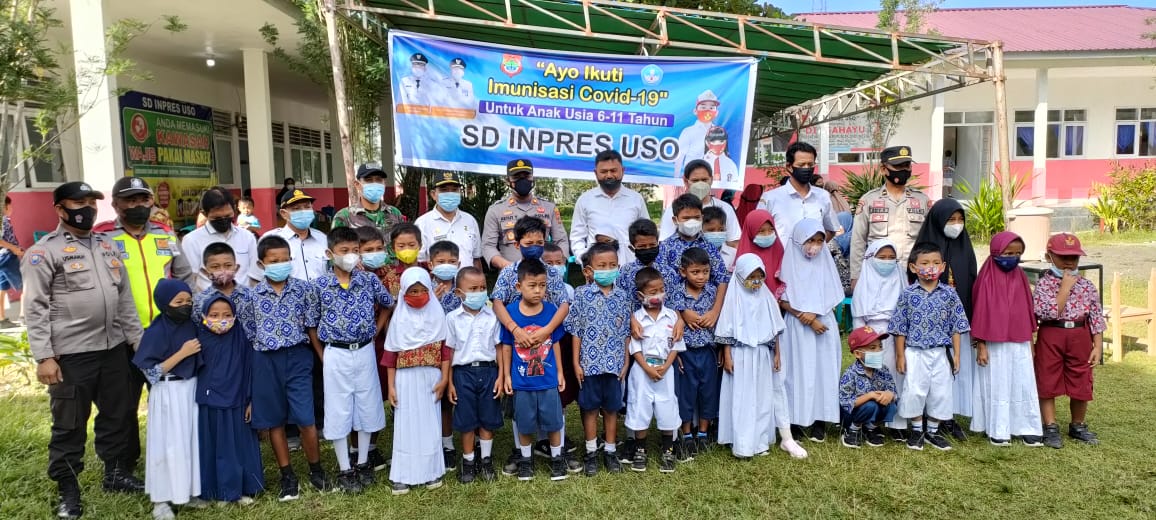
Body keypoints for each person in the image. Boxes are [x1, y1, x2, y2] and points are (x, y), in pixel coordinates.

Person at [24, 182, 146, 518]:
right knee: (70, 423)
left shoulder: (107, 245)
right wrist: (44, 357)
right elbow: (34, 308)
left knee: (118, 415)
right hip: (71, 354)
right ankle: (68, 488)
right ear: (60, 209)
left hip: (113, 348)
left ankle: (116, 473)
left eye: (91, 202)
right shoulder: (43, 252)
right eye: (79, 203)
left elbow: (124, 299)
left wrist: (137, 342)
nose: (87, 208)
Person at [94, 176, 196, 471]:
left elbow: (185, 276)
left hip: (165, 334)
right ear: (116, 204)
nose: (138, 205)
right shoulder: (102, 237)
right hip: (121, 337)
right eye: (130, 200)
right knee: (121, 405)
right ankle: (120, 467)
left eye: (143, 199)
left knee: (168, 400)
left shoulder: (165, 235)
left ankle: (171, 461)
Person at [314, 227, 394, 493]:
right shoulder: (319, 285)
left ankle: (362, 462)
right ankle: (345, 468)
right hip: (335, 352)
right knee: (339, 407)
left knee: (367, 404)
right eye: (344, 251)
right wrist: (322, 354)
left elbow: (388, 303)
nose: (351, 255)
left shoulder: (368, 280)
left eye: (355, 251)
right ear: (330, 253)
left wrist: (376, 330)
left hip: (364, 350)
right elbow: (311, 323)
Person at [248, 235, 326, 500]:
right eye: (274, 261)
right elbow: (250, 332)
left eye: (285, 259)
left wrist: (320, 356)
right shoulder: (251, 296)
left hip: (298, 358)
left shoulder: (304, 290)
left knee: (306, 418)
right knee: (274, 421)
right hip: (266, 360)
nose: (280, 264)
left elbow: (311, 325)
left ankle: (316, 470)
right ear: (261, 264)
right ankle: (287, 475)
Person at [131, 279, 205, 519]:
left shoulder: (191, 326)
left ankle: (189, 491)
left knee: (189, 442)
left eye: (188, 301)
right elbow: (150, 373)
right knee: (166, 444)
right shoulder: (156, 332)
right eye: (178, 301)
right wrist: (182, 353)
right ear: (164, 304)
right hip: (167, 392)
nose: (185, 306)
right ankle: (161, 500)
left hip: (190, 389)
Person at [717, 254, 800, 459]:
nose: (756, 281)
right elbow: (726, 329)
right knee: (742, 397)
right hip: (741, 354)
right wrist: (727, 355)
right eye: (751, 276)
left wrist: (777, 353)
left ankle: (761, 441)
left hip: (763, 353)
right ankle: (743, 443)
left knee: (762, 398)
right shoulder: (733, 298)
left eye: (759, 276)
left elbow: (774, 328)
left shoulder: (766, 297)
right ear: (740, 276)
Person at [890, 242, 970, 451]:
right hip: (915, 352)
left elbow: (956, 326)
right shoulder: (908, 294)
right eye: (924, 263)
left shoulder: (949, 294)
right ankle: (917, 431)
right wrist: (900, 355)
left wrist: (957, 355)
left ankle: (933, 432)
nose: (930, 267)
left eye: (935, 263)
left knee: (941, 392)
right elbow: (900, 327)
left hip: (941, 353)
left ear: (943, 266)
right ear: (913, 267)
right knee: (914, 390)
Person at [970, 231, 1043, 447]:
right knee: (998, 383)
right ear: (995, 252)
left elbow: (1027, 309)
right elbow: (980, 313)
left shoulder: (1020, 275)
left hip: (1019, 342)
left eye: (1017, 254)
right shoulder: (986, 278)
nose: (1013, 257)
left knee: (1022, 382)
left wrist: (1030, 341)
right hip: (994, 344)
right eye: (1008, 253)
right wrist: (981, 344)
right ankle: (999, 428)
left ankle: (1027, 427)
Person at [564, 241, 631, 476]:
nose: (607, 269)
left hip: (615, 364)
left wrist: (626, 361)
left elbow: (626, 333)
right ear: (589, 270)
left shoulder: (623, 297)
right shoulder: (582, 295)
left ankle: (610, 450)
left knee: (612, 409)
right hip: (589, 365)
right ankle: (591, 451)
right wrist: (576, 363)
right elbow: (576, 331)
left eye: (612, 265)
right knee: (590, 408)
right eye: (602, 265)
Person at [1033, 233, 1105, 449]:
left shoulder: (1087, 285)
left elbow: (1096, 316)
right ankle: (1050, 426)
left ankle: (1078, 425)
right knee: (1047, 378)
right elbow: (1047, 313)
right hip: (1051, 334)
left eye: (1074, 257)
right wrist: (1064, 288)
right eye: (1063, 257)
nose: (1069, 262)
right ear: (1049, 256)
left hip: (1079, 335)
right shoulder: (1043, 285)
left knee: (1081, 377)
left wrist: (1098, 345)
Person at [913, 197, 978, 440]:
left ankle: (948, 417)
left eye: (960, 219)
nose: (956, 224)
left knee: (955, 369)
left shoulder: (965, 247)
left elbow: (971, 282)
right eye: (951, 219)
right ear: (938, 220)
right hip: (930, 326)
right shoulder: (925, 249)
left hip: (958, 323)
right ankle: (928, 416)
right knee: (930, 372)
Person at [383, 267, 452, 494]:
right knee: (405, 424)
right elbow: (390, 355)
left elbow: (445, 351)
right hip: (405, 379)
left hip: (432, 378)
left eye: (423, 290)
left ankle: (431, 472)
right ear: (404, 292)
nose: (418, 295)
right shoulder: (398, 320)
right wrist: (391, 387)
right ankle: (403, 475)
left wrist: (444, 379)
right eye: (413, 291)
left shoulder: (438, 315)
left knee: (430, 424)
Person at [499, 260, 568, 482]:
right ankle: (526, 461)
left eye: (542, 285)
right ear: (519, 287)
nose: (538, 290)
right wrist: (507, 376)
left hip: (547, 380)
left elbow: (555, 343)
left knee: (554, 422)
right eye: (532, 285)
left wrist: (559, 372)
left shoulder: (551, 311)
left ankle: (557, 459)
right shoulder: (510, 313)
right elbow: (506, 346)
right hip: (522, 381)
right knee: (524, 423)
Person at [778, 219, 844, 443]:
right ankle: (796, 421)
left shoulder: (825, 262)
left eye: (819, 241)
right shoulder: (787, 262)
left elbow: (833, 293)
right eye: (809, 240)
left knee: (823, 371)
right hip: (797, 327)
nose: (814, 246)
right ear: (798, 240)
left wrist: (815, 314)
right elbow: (781, 297)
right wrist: (803, 315)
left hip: (823, 325)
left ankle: (820, 421)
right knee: (796, 372)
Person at [195, 292, 263, 505]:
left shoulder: (241, 338)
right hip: (209, 404)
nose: (221, 320)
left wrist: (251, 400)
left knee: (235, 448)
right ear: (204, 316)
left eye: (226, 315)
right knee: (213, 449)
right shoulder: (198, 339)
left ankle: (238, 489)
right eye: (214, 315)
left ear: (234, 315)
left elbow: (250, 370)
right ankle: (215, 490)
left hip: (237, 403)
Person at [446, 266, 503, 483]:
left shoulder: (493, 316)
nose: (479, 292)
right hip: (463, 373)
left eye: (482, 288)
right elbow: (449, 352)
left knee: (488, 417)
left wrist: (501, 376)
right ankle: (468, 461)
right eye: (473, 289)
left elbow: (499, 347)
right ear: (459, 292)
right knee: (467, 419)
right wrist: (450, 382)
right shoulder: (452, 318)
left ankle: (486, 460)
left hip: (489, 371)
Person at [626, 267, 686, 473]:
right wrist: (647, 369)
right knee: (640, 407)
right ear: (640, 295)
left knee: (667, 407)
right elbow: (635, 348)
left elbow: (676, 345)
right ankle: (640, 450)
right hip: (642, 371)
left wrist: (667, 366)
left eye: (661, 290)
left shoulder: (672, 317)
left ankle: (668, 450)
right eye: (653, 292)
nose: (658, 295)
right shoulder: (637, 318)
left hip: (665, 369)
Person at [849, 145, 930, 290]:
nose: (904, 170)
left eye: (907, 165)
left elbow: (930, 239)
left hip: (913, 275)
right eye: (898, 166)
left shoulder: (922, 200)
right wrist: (856, 276)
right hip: (878, 276)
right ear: (883, 169)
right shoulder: (869, 200)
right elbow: (858, 241)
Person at [850, 239, 907, 439]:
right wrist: (864, 342)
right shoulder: (864, 282)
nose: (887, 261)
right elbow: (858, 316)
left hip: (896, 335)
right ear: (871, 258)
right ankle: (870, 423)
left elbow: (905, 311)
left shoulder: (900, 279)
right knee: (871, 376)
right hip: (871, 336)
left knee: (897, 375)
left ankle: (897, 423)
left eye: (891, 258)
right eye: (882, 257)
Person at [668, 247, 719, 458]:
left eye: (705, 272)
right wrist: (676, 353)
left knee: (708, 392)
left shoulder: (713, 292)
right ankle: (687, 433)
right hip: (686, 353)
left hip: (708, 351)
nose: (701, 277)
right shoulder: (676, 293)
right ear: (683, 272)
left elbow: (719, 322)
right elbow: (671, 323)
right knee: (686, 394)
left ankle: (703, 432)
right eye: (695, 272)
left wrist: (720, 349)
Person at [654, 194, 729, 327]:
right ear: (675, 220)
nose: (692, 221)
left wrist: (715, 312)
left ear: (702, 217)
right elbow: (661, 283)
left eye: (696, 217)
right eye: (686, 218)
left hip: (707, 318)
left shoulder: (709, 247)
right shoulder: (665, 248)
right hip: (675, 319)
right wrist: (682, 311)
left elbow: (722, 280)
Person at [482, 159, 569, 269]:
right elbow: (488, 246)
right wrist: (509, 268)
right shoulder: (496, 210)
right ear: (508, 181)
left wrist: (558, 265)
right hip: (510, 273)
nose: (522, 180)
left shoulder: (549, 208)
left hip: (545, 273)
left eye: (526, 176)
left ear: (533, 178)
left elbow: (561, 240)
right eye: (516, 177)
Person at [570, 149, 650, 266]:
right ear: (596, 173)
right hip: (598, 270)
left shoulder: (636, 199)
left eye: (613, 170)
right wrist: (585, 260)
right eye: (604, 171)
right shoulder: (585, 200)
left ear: (622, 171)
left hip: (632, 266)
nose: (609, 175)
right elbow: (577, 237)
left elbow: (647, 233)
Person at [181, 187, 262, 292]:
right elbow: (191, 279)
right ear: (204, 214)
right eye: (217, 218)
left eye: (228, 215)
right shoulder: (191, 240)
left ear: (234, 209)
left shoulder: (247, 237)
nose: (224, 220)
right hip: (209, 301)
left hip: (244, 299)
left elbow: (255, 275)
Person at [758, 141, 840, 241]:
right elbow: (758, 231)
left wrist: (817, 244)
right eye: (801, 165)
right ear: (789, 167)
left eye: (810, 164)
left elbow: (831, 229)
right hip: (783, 251)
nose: (807, 168)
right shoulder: (770, 198)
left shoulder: (823, 196)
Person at [331, 164, 407, 262]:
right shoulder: (344, 217)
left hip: (392, 270)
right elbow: (336, 254)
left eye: (379, 180)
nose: (374, 184)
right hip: (359, 271)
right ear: (357, 184)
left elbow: (403, 245)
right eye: (369, 180)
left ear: (384, 184)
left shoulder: (395, 213)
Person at [838, 326, 899, 449]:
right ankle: (852, 430)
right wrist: (870, 396)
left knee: (891, 405)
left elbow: (893, 390)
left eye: (880, 346)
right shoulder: (850, 374)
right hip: (852, 415)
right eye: (872, 348)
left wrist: (890, 394)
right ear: (857, 353)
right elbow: (845, 402)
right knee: (870, 405)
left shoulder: (883, 370)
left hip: (872, 412)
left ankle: (870, 428)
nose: (878, 351)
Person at [658, 159, 740, 249]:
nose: (700, 184)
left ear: (711, 179)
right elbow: (664, 244)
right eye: (695, 180)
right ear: (685, 181)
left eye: (704, 180)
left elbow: (734, 243)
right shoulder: (673, 210)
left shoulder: (726, 208)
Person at [415, 171, 483, 270]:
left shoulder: (470, 220)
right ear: (433, 194)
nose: (450, 194)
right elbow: (419, 262)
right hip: (436, 280)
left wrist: (479, 278)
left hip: (467, 279)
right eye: (444, 190)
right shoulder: (422, 223)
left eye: (454, 190)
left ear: (460, 193)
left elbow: (476, 259)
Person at [263, 189, 328, 282]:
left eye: (307, 207)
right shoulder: (270, 240)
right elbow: (259, 276)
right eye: (296, 208)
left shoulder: (322, 239)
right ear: (284, 214)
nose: (303, 211)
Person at [736, 209, 785, 299]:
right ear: (750, 230)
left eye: (771, 230)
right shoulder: (743, 258)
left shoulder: (779, 251)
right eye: (761, 231)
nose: (767, 234)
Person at [617, 218, 661, 306]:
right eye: (642, 246)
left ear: (658, 243)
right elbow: (620, 301)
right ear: (632, 248)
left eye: (652, 245)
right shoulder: (625, 272)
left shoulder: (668, 272)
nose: (648, 249)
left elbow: (673, 303)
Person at [674, 90, 720, 173]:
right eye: (703, 107)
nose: (707, 111)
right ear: (695, 111)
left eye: (711, 108)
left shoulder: (719, 133)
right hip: (692, 175)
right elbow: (679, 157)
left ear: (716, 113)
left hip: (710, 177)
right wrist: (676, 178)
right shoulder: (688, 132)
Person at [0, 196, 23, 326]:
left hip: (2, 257)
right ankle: (24, 316)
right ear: (5, 206)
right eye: (11, 205)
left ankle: (1, 319)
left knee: (2, 288)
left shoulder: (4, 220)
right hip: (7, 257)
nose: (12, 208)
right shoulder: (2, 221)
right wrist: (14, 249)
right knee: (26, 285)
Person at [429, 240, 463, 315]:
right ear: (430, 265)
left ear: (458, 264)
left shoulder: (464, 287)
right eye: (441, 262)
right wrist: (431, 302)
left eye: (452, 261)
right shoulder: (426, 289)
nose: (446, 266)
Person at [701, 207, 735, 272]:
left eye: (721, 230)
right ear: (701, 230)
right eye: (711, 230)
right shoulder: (693, 254)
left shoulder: (734, 254)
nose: (717, 233)